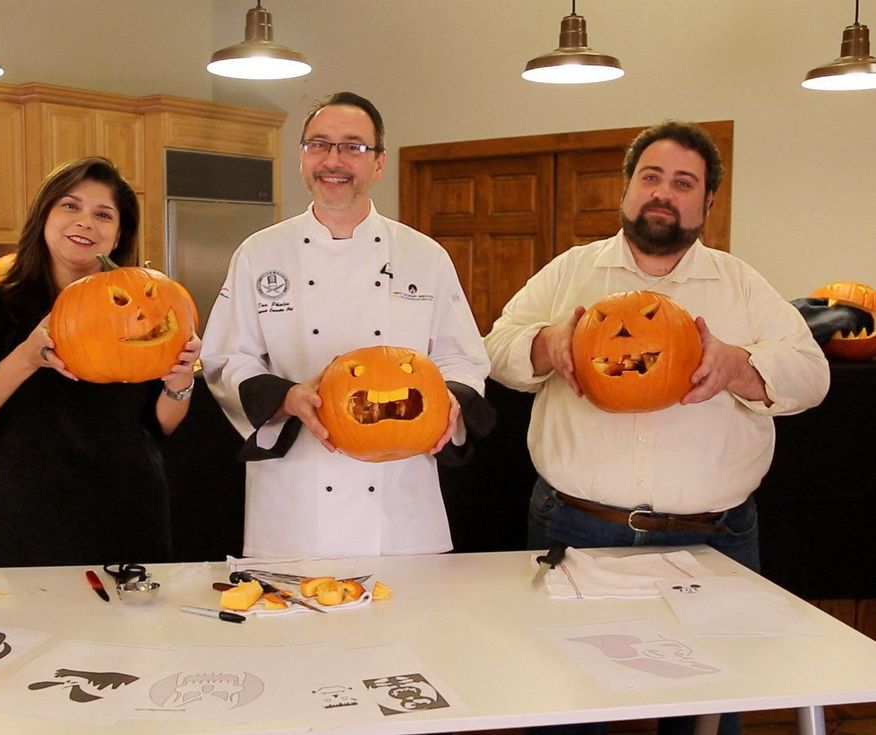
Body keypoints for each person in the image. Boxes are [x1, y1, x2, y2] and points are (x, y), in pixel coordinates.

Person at [484, 121, 829, 734]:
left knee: (708, 709)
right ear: (626, 188)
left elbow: (811, 376)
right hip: (576, 527)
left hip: (713, 539)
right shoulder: (571, 272)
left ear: (706, 202)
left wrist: (737, 365)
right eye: (651, 177)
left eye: (683, 182)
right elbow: (493, 351)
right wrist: (549, 344)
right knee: (565, 705)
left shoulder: (741, 285)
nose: (663, 193)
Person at [201, 92, 493, 558]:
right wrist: (285, 397)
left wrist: (450, 405)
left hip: (401, 498)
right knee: (294, 625)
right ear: (302, 158)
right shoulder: (259, 254)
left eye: (353, 146)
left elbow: (462, 357)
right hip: (296, 494)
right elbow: (224, 359)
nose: (333, 160)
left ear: (378, 164)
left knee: (406, 626)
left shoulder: (425, 257)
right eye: (319, 145)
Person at [0, 156, 201, 567]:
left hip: (131, 510)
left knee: (132, 629)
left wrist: (180, 379)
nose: (85, 222)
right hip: (32, 516)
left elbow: (160, 425)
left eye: (103, 214)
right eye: (70, 206)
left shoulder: (146, 305)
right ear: (44, 216)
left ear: (117, 236)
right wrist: (28, 357)